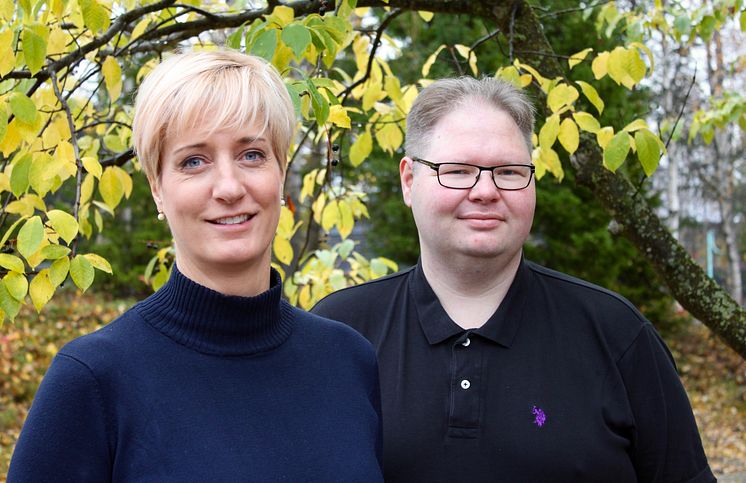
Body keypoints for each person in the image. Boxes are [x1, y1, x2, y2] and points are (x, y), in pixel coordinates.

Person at [312, 76, 714, 482]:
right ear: (409, 180)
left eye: (507, 171)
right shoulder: (340, 335)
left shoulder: (617, 335)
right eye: (458, 170)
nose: (485, 191)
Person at [9, 50, 382, 482]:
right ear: (157, 190)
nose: (228, 187)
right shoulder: (93, 380)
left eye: (252, 155)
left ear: (281, 172)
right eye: (193, 161)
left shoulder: (347, 360)